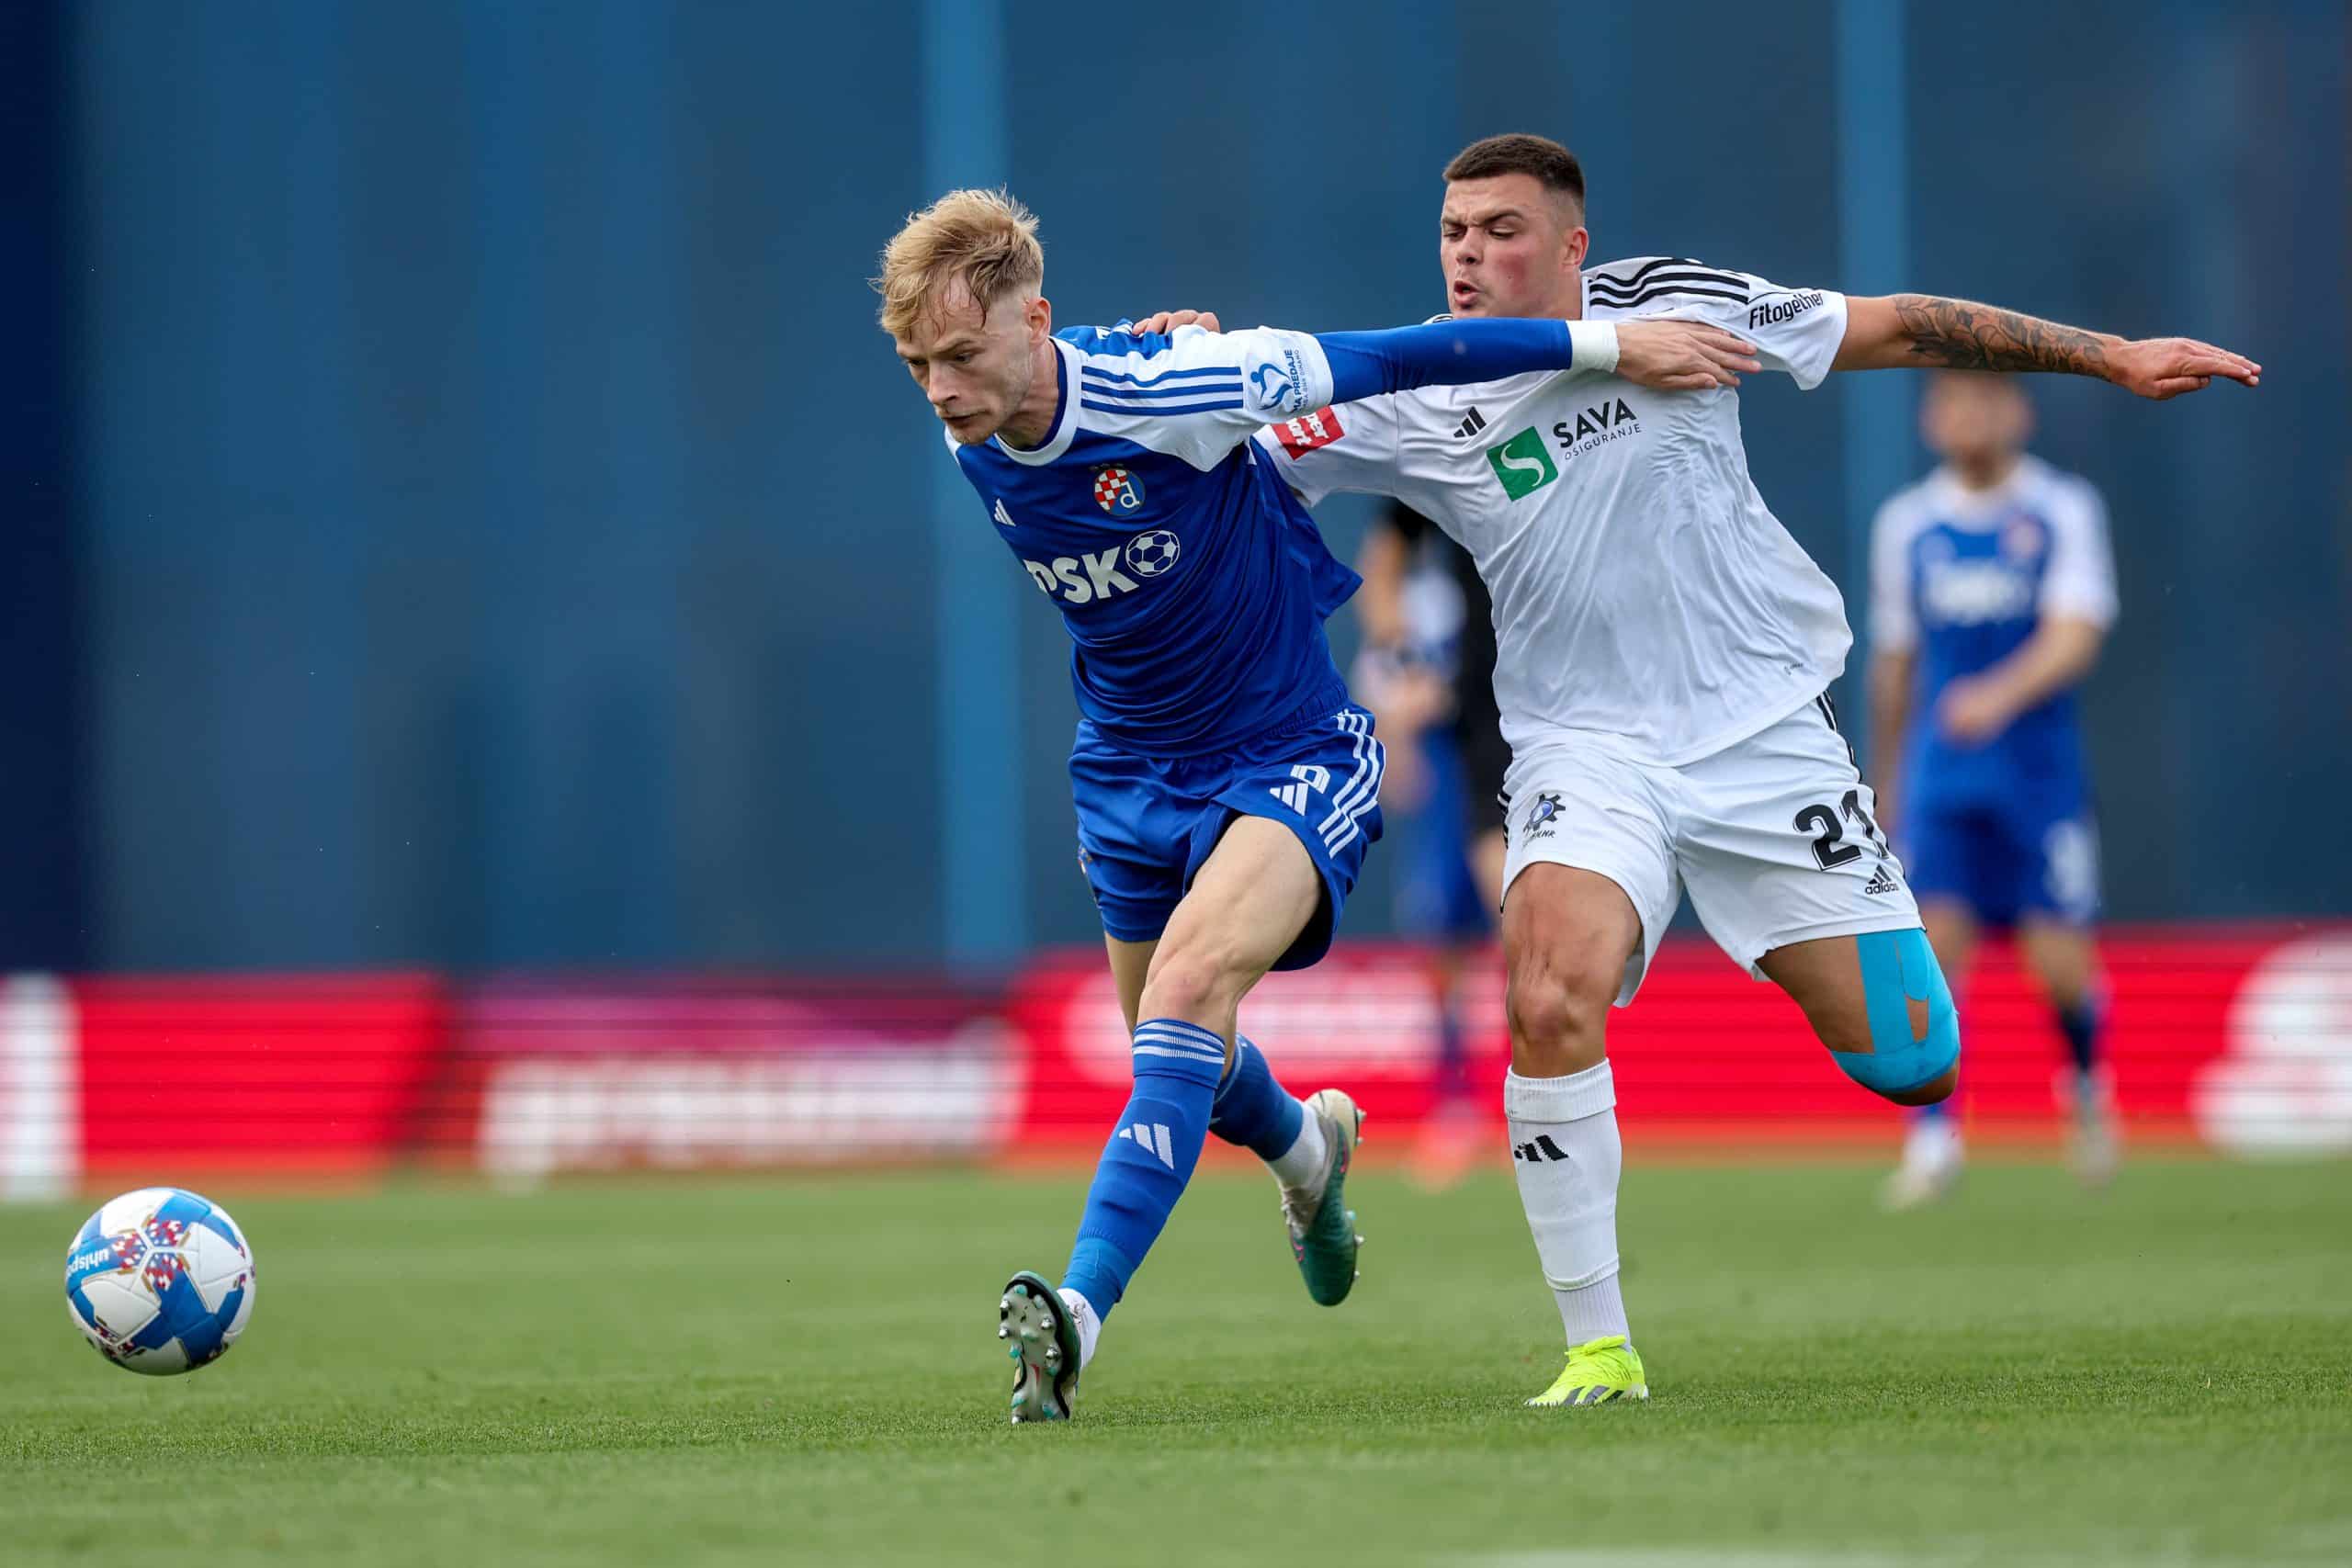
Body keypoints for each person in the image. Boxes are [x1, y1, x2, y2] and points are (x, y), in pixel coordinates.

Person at [1148, 130, 2255, 1409]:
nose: (1469, 256)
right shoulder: (1418, 390)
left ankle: (1800, 961)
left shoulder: (1675, 305)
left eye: (1501, 230)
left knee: (1914, 1056)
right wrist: (1191, 357)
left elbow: (1894, 326)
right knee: (1549, 982)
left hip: (1764, 734)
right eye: (1454, 233)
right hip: (1583, 749)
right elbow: (1218, 438)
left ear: (1572, 244)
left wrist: (2109, 356)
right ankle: (1600, 1347)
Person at [873, 186, 1758, 1423]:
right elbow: (1060, 373)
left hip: (1290, 747)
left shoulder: (1186, 385)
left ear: (1036, 320)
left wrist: (1610, 344)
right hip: (1127, 768)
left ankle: (1071, 1315)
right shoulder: (978, 415)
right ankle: (1304, 1153)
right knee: (1178, 1045)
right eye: (916, 362)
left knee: (1184, 994)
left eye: (962, 355)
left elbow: (1399, 356)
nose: (940, 387)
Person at [1869, 374, 2121, 1207]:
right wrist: (1885, 780)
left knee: (2061, 965)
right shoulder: (1907, 524)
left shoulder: (2061, 509)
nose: (1969, 417)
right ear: (1931, 419)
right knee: (1934, 958)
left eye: (1986, 400)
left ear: (2019, 412)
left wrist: (1999, 696)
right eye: (1953, 402)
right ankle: (1934, 1138)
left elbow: (2077, 633)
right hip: (1945, 778)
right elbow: (1896, 662)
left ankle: (2086, 1089)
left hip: (2038, 776)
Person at [1350, 504, 1509, 1187]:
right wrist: (1404, 729)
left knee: (1519, 933)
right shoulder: (1418, 604)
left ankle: (1525, 1102)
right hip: (1445, 788)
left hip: (1500, 768)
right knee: (1443, 949)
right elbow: (1387, 714)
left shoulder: (1492, 593)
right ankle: (1454, 1106)